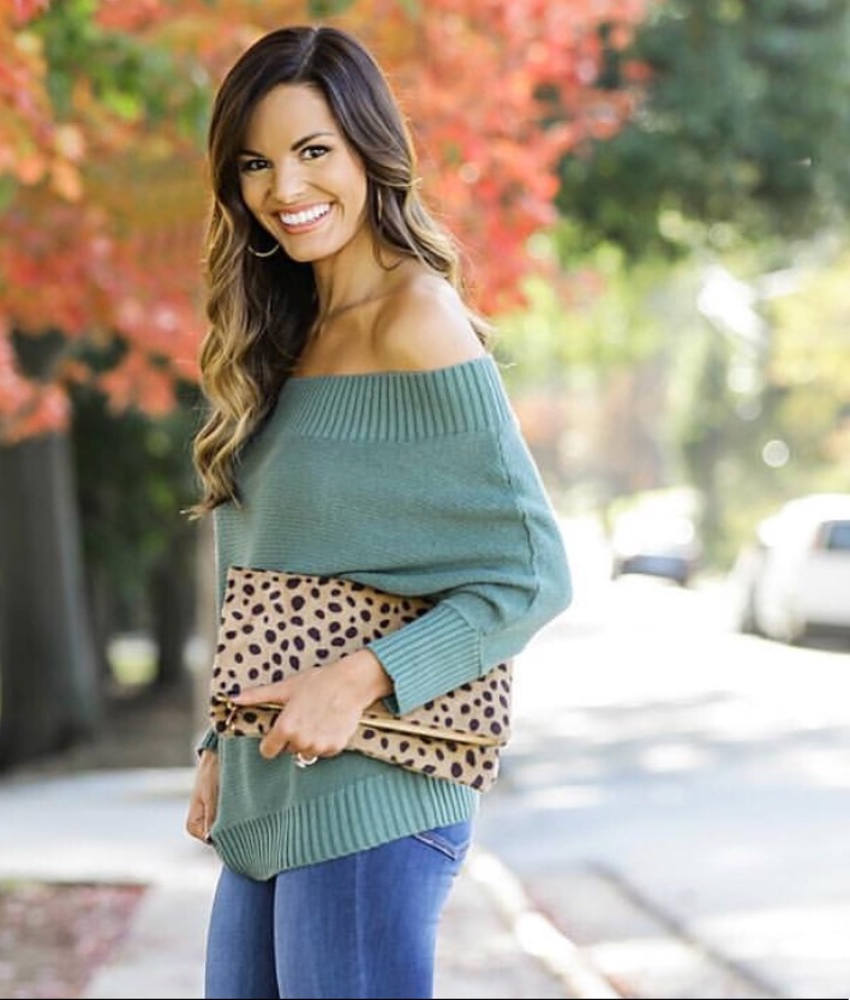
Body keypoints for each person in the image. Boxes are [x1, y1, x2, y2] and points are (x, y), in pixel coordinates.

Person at [184, 23, 573, 1000]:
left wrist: (360, 678)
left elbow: (531, 572)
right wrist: (216, 742)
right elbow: (270, 565)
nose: (285, 187)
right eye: (256, 164)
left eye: (313, 150)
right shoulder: (286, 333)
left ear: (368, 151)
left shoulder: (415, 317)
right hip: (270, 773)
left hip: (374, 781)